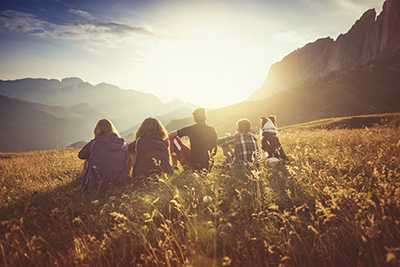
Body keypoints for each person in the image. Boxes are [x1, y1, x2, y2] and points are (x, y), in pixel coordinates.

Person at [78, 119, 129, 191]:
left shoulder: (95, 143)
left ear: (98, 129)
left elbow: (81, 155)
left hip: (98, 182)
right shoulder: (122, 143)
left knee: (88, 160)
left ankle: (88, 185)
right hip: (120, 179)